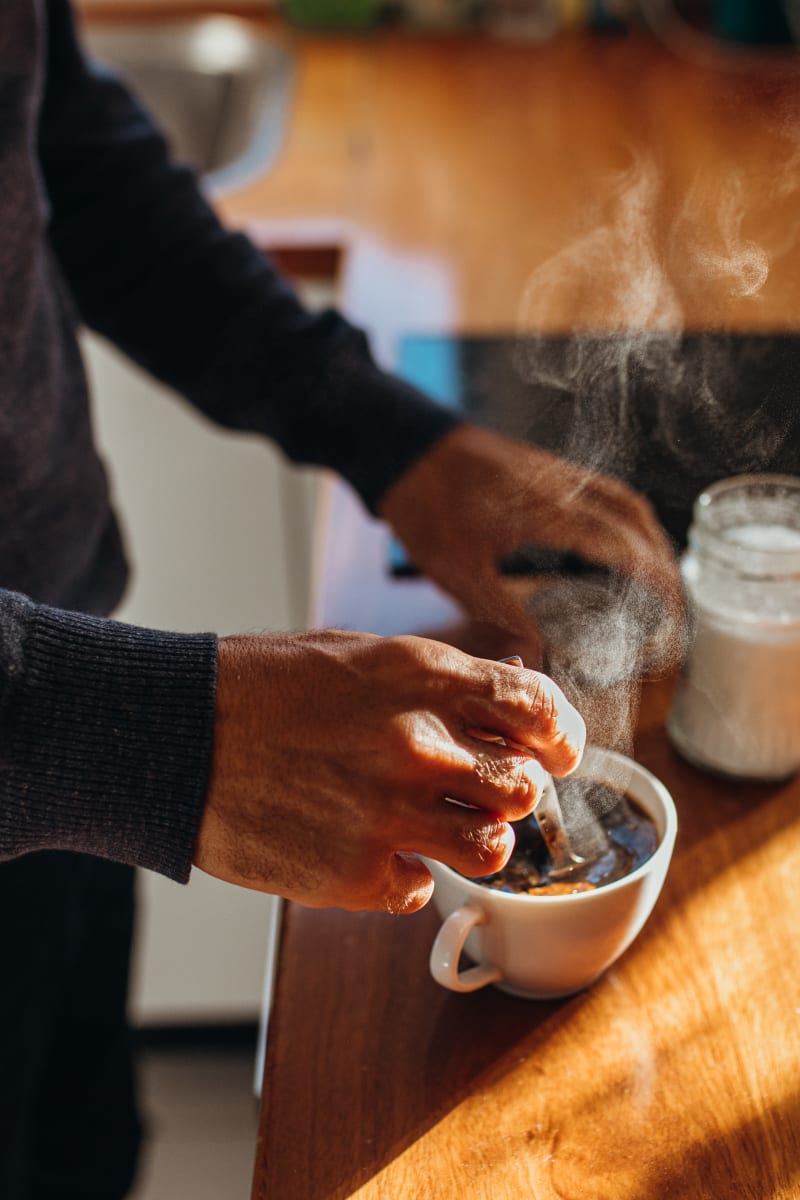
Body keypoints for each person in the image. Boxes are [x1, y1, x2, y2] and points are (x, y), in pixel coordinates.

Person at [0, 1, 680, 1196]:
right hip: (65, 723)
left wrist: (389, 436)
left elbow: (52, 132)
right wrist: (157, 736)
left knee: (81, 1153)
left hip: (61, 699)